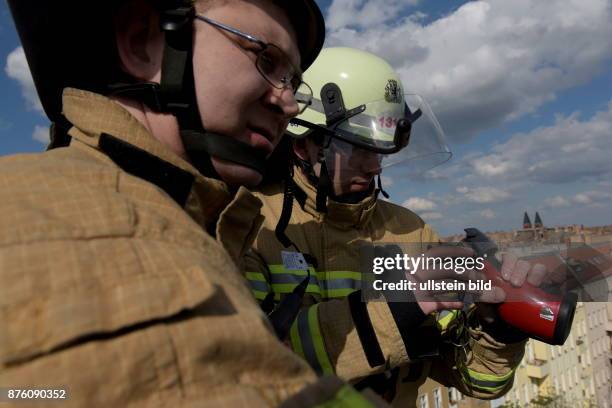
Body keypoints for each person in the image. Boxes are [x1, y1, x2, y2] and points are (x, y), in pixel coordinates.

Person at [0, 2, 387, 406]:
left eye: (293, 83)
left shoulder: (199, 220)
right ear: (141, 45)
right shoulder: (82, 221)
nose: (287, 104)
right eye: (266, 59)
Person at [243, 47, 547, 405]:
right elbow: (245, 367)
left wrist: (499, 330)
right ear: (305, 144)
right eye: (357, 148)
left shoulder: (410, 231)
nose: (375, 167)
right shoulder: (251, 225)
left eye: (382, 150)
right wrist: (398, 311)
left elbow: (480, 383)